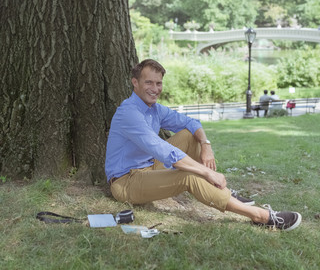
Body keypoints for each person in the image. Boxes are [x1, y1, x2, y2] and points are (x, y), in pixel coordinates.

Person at [105, 59, 301, 231]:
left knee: (190, 135)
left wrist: (206, 145)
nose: (155, 89)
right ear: (135, 82)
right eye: (149, 82)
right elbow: (163, 150)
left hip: (149, 168)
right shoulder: (129, 113)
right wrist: (206, 172)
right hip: (126, 182)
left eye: (158, 83)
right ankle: (261, 216)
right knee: (189, 175)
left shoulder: (154, 109)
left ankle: (220, 191)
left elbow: (191, 123)